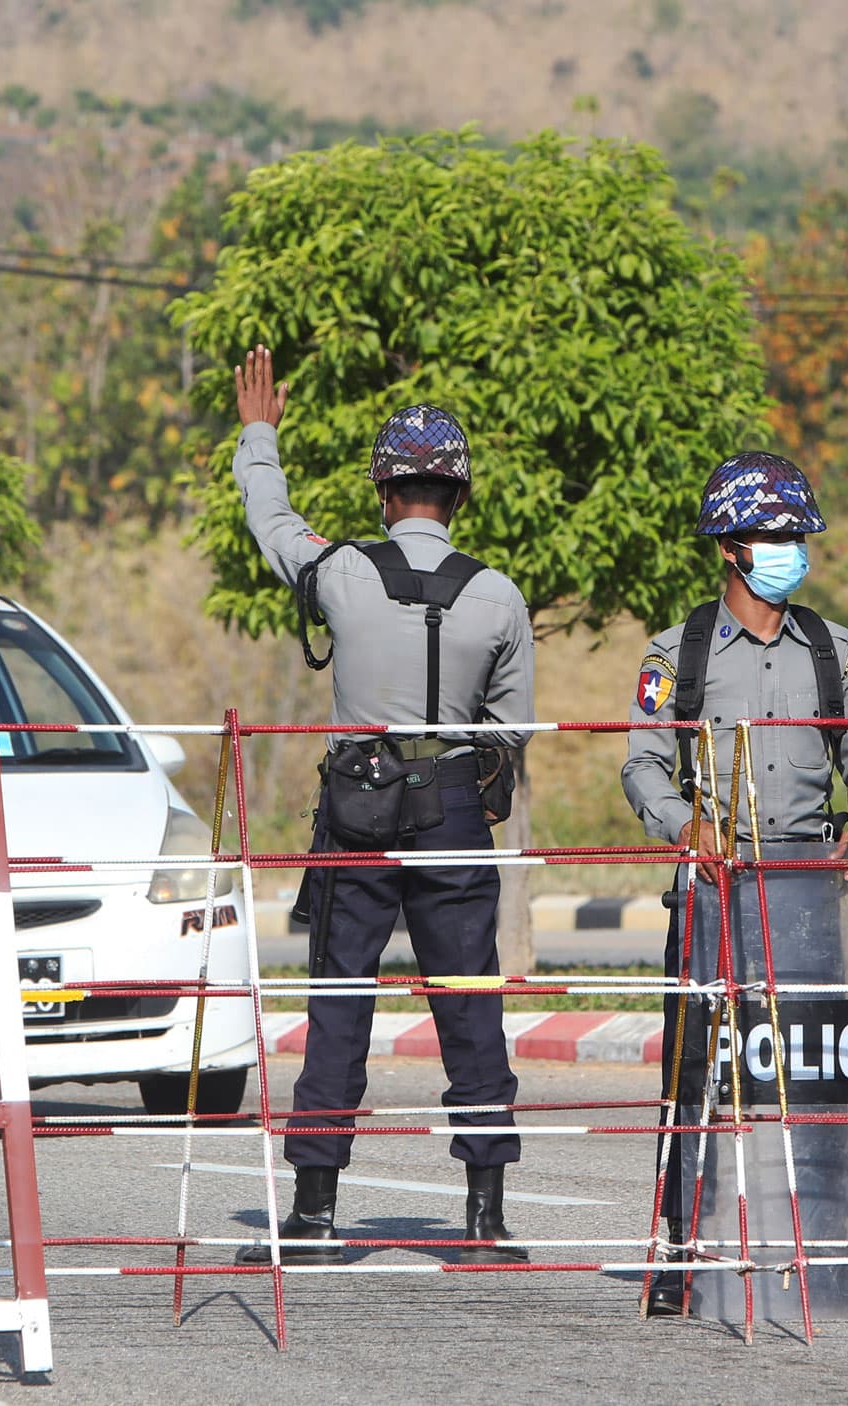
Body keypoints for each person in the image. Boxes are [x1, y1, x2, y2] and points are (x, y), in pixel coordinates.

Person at [221, 347, 535, 1268]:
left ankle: (316, 1217)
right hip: (452, 810)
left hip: (356, 807)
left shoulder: (342, 573)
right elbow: (512, 731)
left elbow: (269, 520)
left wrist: (260, 433)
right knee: (470, 1004)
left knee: (340, 1000)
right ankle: (483, 1219)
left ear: (384, 492)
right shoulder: (500, 595)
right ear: (460, 496)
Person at [618, 450, 848, 1316]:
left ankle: (827, 1247)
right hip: (715, 884)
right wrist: (684, 824)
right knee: (698, 1073)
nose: (789, 548)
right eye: (772, 534)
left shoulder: (832, 646)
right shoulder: (681, 652)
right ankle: (681, 1253)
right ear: (729, 548)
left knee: (818, 1069)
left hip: (807, 882)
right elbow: (640, 765)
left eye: (796, 534)